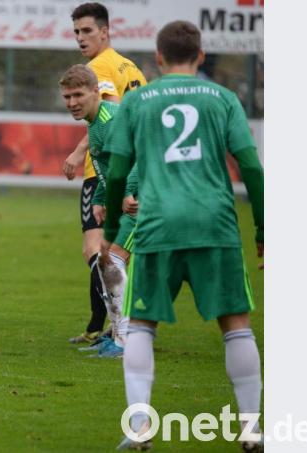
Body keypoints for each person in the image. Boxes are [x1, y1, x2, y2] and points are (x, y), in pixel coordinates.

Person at [100, 21, 264, 451]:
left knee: (141, 327)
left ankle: (139, 427)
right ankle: (249, 429)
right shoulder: (224, 98)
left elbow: (117, 172)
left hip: (157, 227)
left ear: (158, 58)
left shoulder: (137, 101)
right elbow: (252, 168)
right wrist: (264, 231)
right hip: (217, 226)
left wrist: (113, 229)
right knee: (236, 326)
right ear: (201, 55)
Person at [63, 2, 147, 346]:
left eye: (87, 31)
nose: (81, 38)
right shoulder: (129, 65)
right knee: (112, 257)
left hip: (125, 177)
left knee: (103, 254)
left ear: (105, 31)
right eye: (76, 32)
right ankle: (112, 329)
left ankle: (116, 331)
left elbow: (112, 122)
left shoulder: (98, 68)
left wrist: (79, 152)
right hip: (119, 175)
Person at [59, 64, 139, 359]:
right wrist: (101, 197)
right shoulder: (94, 123)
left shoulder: (110, 119)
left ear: (96, 92)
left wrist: (126, 192)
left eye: (78, 95)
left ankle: (124, 341)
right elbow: (109, 165)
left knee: (113, 260)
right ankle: (120, 336)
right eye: (67, 97)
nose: (72, 103)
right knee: (112, 262)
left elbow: (138, 157)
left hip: (145, 201)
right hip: (129, 198)